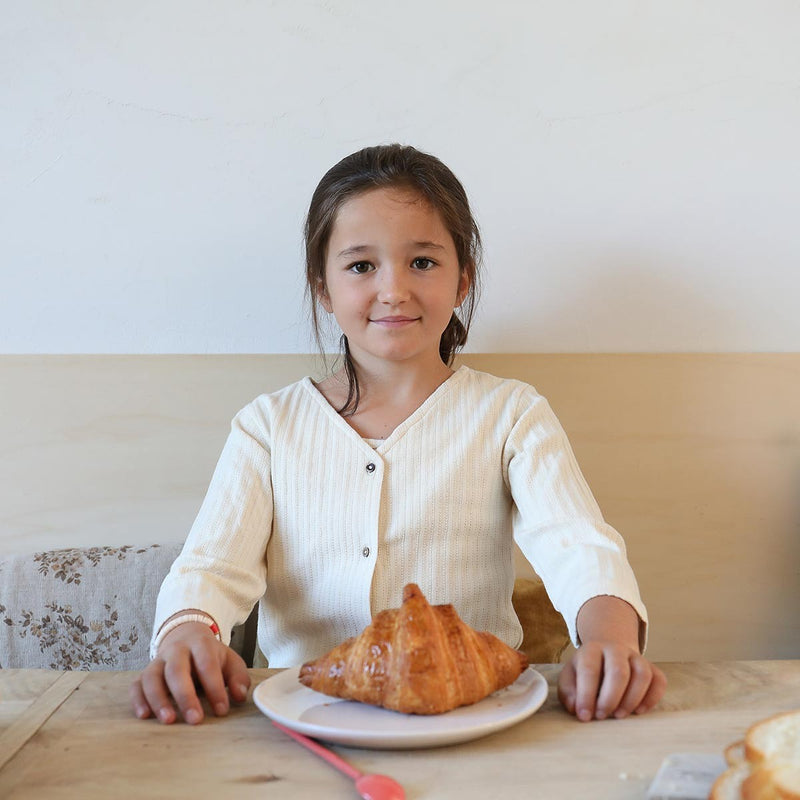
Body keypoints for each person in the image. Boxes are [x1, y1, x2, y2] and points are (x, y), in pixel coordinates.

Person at [130, 144, 667, 727]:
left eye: (423, 262)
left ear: (463, 278)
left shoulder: (511, 413)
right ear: (323, 285)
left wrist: (612, 641)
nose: (393, 290)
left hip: (474, 714)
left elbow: (577, 546)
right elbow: (212, 567)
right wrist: (188, 630)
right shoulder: (268, 426)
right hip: (308, 714)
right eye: (361, 266)